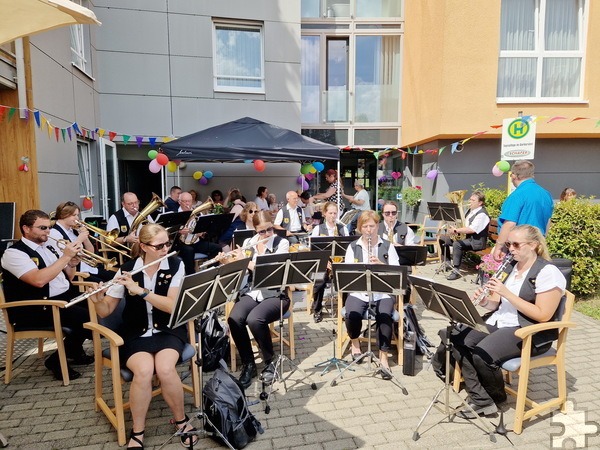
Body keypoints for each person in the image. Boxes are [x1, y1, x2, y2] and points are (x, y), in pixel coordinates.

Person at [89, 223, 196, 448]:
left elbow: (171, 306)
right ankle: (137, 431)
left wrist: (141, 291)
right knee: (144, 371)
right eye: (159, 246)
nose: (165, 249)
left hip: (167, 328)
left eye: (168, 243)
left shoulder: (176, 265)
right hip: (135, 332)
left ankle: (181, 420)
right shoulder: (128, 269)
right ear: (143, 246)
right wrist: (98, 300)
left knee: (166, 369)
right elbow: (106, 310)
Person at [445, 224, 566, 419]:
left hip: (528, 330)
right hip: (500, 321)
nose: (510, 249)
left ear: (533, 245)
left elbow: (543, 315)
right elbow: (495, 305)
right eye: (509, 244)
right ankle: (480, 395)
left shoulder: (547, 272)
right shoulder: (510, 266)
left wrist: (507, 293)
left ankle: (496, 397)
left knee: (483, 354)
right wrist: (485, 300)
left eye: (516, 245)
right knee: (459, 338)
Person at [1, 210, 92, 381]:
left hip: (62, 297)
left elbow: (68, 277)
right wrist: (65, 257)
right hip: (36, 307)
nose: (48, 232)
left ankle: (73, 349)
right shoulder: (14, 253)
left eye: (49, 228)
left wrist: (72, 263)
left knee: (100, 309)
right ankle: (56, 361)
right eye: (42, 228)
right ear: (26, 229)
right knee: (88, 318)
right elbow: (38, 281)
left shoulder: (48, 246)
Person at [227, 211, 290, 388]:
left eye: (269, 229)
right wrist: (233, 262)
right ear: (255, 230)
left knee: (255, 319)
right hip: (253, 292)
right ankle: (249, 364)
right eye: (261, 232)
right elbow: (243, 273)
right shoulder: (249, 243)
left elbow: (269, 273)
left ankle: (269, 361)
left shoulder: (281, 243)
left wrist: (246, 261)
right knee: (235, 318)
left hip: (276, 294)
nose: (266, 234)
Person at [344, 210, 400, 380]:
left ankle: (383, 356)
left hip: (383, 293)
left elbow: (397, 273)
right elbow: (347, 274)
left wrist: (382, 265)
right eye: (365, 226)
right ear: (360, 228)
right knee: (351, 314)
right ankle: (355, 344)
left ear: (378, 226)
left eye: (372, 226)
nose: (369, 230)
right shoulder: (353, 247)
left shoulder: (387, 246)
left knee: (385, 316)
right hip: (360, 292)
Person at [493, 160, 553, 261]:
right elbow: (548, 222)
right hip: (537, 245)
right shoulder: (546, 194)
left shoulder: (517, 195)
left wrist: (499, 247)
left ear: (514, 175)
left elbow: (509, 224)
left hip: (518, 248)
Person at [50, 201, 114, 282]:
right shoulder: (55, 233)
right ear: (64, 215)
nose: (77, 218)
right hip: (77, 273)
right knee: (109, 285)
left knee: (117, 277)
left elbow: (91, 252)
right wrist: (79, 239)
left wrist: (85, 238)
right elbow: (67, 255)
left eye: (77, 215)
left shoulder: (73, 229)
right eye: (74, 215)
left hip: (89, 268)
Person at [439, 191, 490, 280]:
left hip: (476, 242)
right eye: (470, 199)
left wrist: (456, 230)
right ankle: (447, 263)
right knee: (443, 238)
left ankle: (456, 271)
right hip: (467, 239)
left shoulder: (482, 214)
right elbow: (463, 224)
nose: (470, 201)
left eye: (473, 200)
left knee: (457, 244)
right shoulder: (471, 211)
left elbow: (472, 229)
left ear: (480, 203)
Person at [310, 201, 347, 322]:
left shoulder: (343, 229)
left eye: (335, 213)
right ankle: (317, 309)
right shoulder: (318, 229)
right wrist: (325, 262)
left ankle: (345, 309)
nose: (333, 216)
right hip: (324, 263)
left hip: (339, 263)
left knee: (348, 279)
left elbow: (347, 249)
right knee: (319, 280)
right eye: (330, 213)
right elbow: (314, 251)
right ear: (325, 214)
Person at [174, 192, 221, 274]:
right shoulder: (175, 214)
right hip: (181, 244)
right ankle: (190, 276)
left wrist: (201, 232)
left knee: (217, 248)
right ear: (179, 202)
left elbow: (203, 228)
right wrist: (179, 231)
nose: (188, 203)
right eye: (185, 201)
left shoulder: (198, 213)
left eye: (189, 201)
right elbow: (170, 233)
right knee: (189, 250)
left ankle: (211, 273)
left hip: (195, 242)